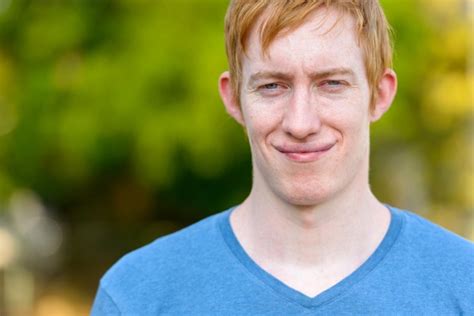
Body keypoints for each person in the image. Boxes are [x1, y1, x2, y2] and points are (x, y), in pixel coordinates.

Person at [91, 0, 474, 314]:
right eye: (272, 86)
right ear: (233, 97)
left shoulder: (463, 285)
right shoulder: (139, 296)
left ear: (379, 94)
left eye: (332, 84)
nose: (301, 122)